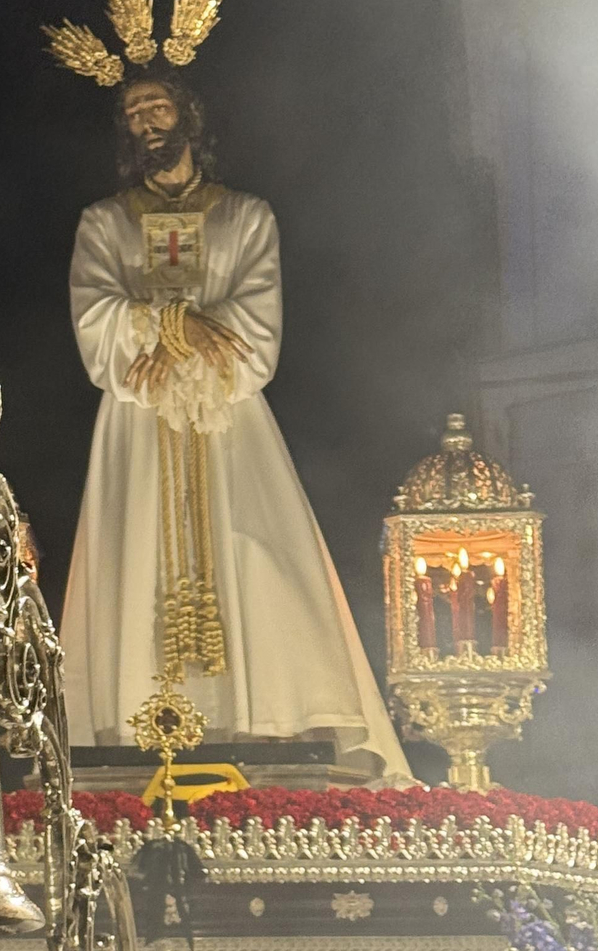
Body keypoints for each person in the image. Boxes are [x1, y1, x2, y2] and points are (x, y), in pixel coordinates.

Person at [58, 67, 412, 783]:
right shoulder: (104, 222)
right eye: (134, 113)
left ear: (188, 115)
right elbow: (94, 319)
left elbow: (256, 328)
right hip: (137, 421)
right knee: (133, 559)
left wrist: (177, 337)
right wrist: (173, 321)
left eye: (159, 106)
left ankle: (265, 720)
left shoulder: (246, 216)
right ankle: (138, 724)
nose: (148, 122)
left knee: (257, 553)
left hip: (226, 420)